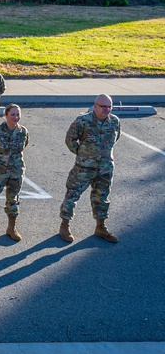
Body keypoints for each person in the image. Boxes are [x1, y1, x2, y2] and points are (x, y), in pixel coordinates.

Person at [59, 94, 121, 244]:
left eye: (109, 106)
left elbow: (115, 139)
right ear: (95, 106)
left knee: (102, 198)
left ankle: (101, 227)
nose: (107, 109)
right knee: (72, 195)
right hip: (84, 168)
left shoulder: (114, 121)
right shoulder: (83, 121)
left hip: (105, 168)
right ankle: (64, 225)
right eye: (103, 106)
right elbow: (70, 140)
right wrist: (82, 154)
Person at [0, 103, 29, 241]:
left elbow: (23, 147)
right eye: (12, 114)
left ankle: (11, 228)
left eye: (18, 114)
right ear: (5, 115)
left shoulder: (23, 132)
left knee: (13, 200)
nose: (15, 117)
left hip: (16, 171)